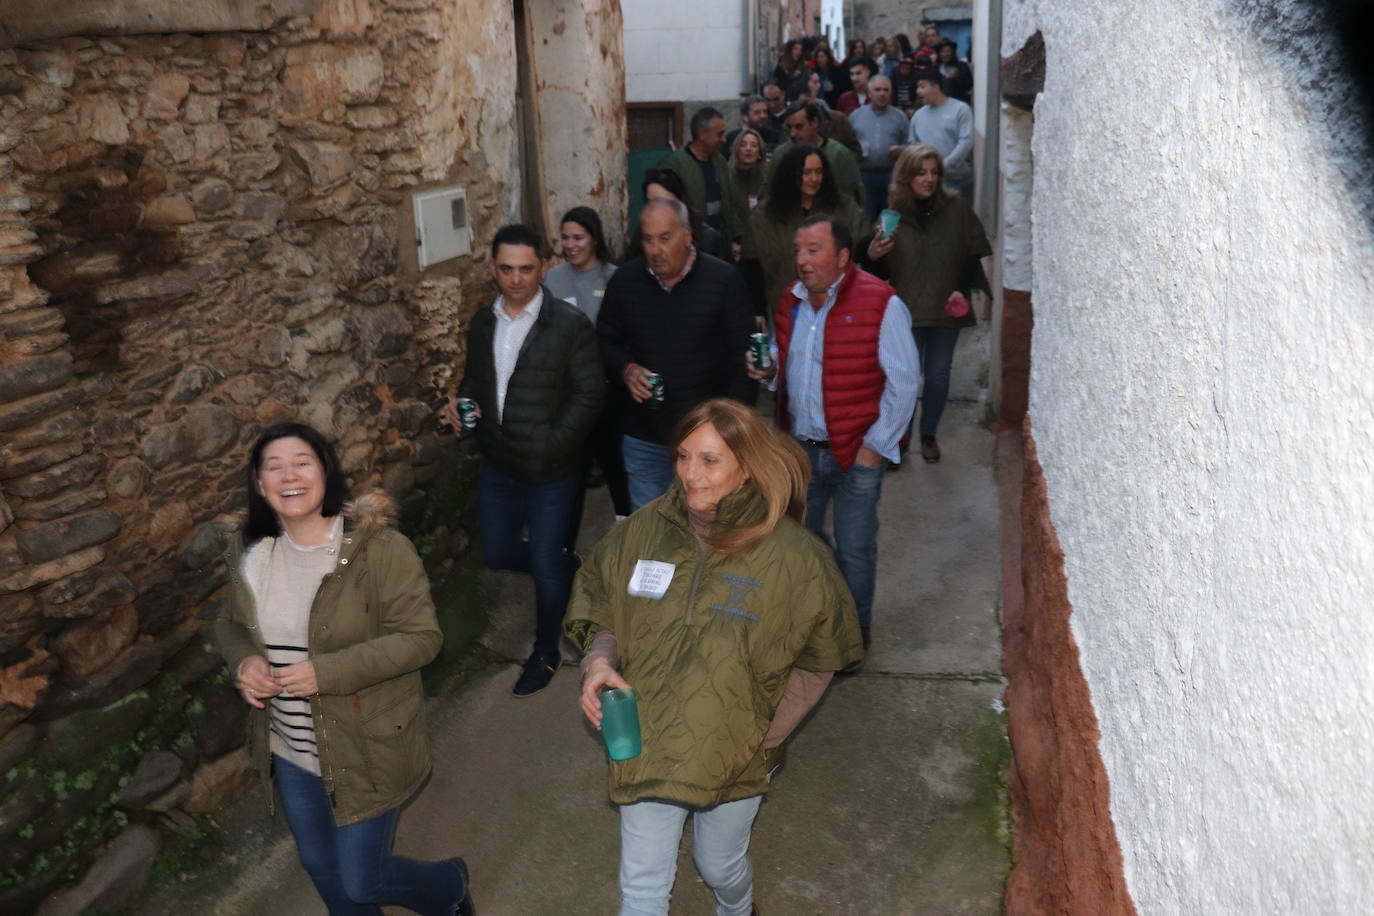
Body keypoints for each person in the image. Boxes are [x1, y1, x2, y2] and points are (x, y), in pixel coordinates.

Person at [567, 398, 864, 916]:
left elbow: (822, 656)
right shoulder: (642, 531)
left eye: (709, 460)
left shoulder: (796, 557)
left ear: (746, 468)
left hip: (737, 751)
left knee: (717, 864)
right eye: (683, 457)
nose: (689, 474)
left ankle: (738, 908)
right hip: (644, 735)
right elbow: (603, 602)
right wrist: (599, 661)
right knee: (642, 891)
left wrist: (765, 733)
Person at [216, 423, 475, 916]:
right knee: (321, 867)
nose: (289, 476)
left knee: (361, 881)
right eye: (274, 467)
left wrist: (326, 672)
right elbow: (229, 625)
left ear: (325, 473)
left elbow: (422, 638)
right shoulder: (250, 552)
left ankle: (448, 886)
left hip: (367, 745)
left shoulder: (376, 549)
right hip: (291, 747)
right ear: (258, 483)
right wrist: (244, 660)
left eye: (302, 462)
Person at [747, 216, 920, 655]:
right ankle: (814, 624)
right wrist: (768, 372)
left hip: (855, 453)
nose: (802, 260)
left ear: (843, 257)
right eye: (798, 250)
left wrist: (874, 448)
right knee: (799, 545)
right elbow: (789, 372)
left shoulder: (882, 303)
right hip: (801, 451)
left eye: (813, 250)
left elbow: (904, 383)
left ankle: (851, 641)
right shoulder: (790, 302)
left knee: (856, 549)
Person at [450, 224, 603, 696]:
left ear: (544, 267)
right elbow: (475, 383)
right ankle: (560, 562)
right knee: (498, 551)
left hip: (553, 469)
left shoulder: (569, 324)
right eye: (506, 269)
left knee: (542, 561)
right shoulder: (482, 323)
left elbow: (590, 394)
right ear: (493, 269)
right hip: (499, 463)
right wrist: (461, 405)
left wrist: (554, 443)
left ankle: (545, 652)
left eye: (526, 269)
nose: (516, 279)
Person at [598, 198, 756, 511]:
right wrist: (626, 370)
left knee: (708, 527)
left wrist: (730, 430)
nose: (655, 249)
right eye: (647, 239)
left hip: (707, 438)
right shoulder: (625, 282)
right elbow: (604, 341)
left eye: (665, 238)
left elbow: (743, 359)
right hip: (644, 435)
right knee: (652, 530)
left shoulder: (723, 281)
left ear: (687, 236)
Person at [862, 144, 990, 463]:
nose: (929, 179)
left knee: (937, 376)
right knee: (903, 379)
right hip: (905, 312)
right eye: (921, 173)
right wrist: (874, 254)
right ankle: (900, 438)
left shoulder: (956, 208)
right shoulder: (891, 214)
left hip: (947, 306)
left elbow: (972, 251)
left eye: (934, 172)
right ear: (906, 176)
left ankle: (929, 434)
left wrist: (961, 288)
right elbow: (877, 271)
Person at [545, 207, 633, 525]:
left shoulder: (615, 277)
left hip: (609, 390)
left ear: (594, 239)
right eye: (565, 237)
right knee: (572, 467)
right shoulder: (552, 279)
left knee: (615, 461)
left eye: (578, 237)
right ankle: (564, 542)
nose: (571, 245)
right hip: (569, 392)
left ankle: (626, 523)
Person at [750, 144, 869, 316]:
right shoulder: (765, 214)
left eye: (819, 172)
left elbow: (861, 245)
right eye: (806, 173)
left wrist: (874, 247)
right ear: (791, 176)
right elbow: (754, 265)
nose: (814, 178)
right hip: (787, 305)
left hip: (835, 304)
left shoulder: (843, 206)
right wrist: (758, 310)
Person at [659, 106, 741, 243]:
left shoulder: (720, 162)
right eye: (719, 134)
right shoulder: (675, 165)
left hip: (720, 242)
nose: (724, 140)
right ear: (703, 134)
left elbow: (729, 203)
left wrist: (736, 238)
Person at [767, 100, 865, 210]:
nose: (792, 134)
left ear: (814, 122)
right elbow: (768, 195)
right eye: (789, 128)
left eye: (799, 127)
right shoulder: (781, 155)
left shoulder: (839, 155)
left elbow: (854, 199)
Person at [626, 168, 733, 263]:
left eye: (665, 202)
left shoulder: (708, 239)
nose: (658, 209)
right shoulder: (641, 236)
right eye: (652, 202)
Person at [848, 74, 911, 223]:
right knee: (865, 218)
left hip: (891, 176)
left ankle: (888, 245)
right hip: (864, 176)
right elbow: (848, 143)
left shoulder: (900, 117)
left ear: (890, 93)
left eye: (886, 90)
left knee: (890, 219)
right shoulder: (856, 116)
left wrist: (901, 150)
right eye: (877, 89)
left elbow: (910, 144)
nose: (882, 93)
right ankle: (866, 246)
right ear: (870, 93)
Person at [725, 127, 770, 324]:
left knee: (759, 301)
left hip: (761, 248)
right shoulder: (727, 174)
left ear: (760, 151)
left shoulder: (767, 176)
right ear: (736, 149)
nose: (748, 149)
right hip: (735, 247)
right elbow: (728, 210)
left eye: (753, 145)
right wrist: (736, 237)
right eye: (743, 145)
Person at [907, 70, 973, 191]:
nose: (918, 91)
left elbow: (966, 142)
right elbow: (912, 145)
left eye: (922, 86)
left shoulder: (961, 109)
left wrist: (942, 167)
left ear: (935, 86)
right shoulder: (918, 115)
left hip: (954, 181)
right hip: (925, 182)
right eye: (917, 87)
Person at [936, 40, 974, 104]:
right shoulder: (936, 68)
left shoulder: (961, 66)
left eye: (948, 51)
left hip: (959, 102)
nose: (945, 54)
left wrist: (957, 77)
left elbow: (969, 85)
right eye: (942, 51)